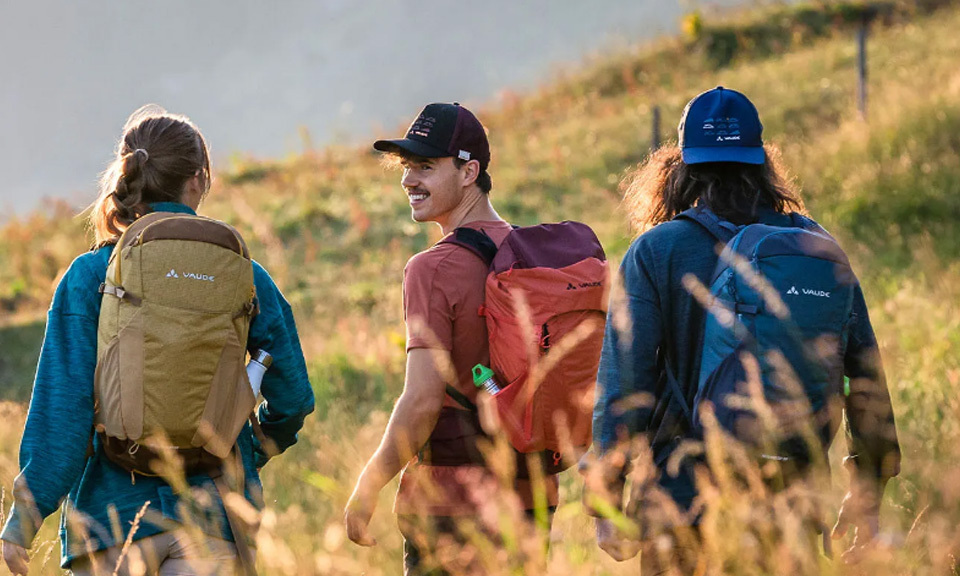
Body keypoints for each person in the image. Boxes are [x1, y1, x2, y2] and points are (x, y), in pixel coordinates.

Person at [586, 87, 901, 569]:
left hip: (682, 509)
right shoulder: (814, 245)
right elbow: (865, 375)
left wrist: (607, 498)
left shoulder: (657, 250)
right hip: (791, 503)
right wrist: (866, 499)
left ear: (684, 166)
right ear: (760, 160)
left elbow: (624, 385)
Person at [0, 105, 315, 576]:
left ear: (129, 178)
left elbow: (62, 419)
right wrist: (239, 446)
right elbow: (293, 399)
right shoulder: (245, 276)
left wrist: (21, 524)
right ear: (199, 180)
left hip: (111, 527)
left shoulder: (90, 276)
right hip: (215, 521)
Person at [344, 102, 559, 575]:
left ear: (470, 171)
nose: (408, 180)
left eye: (425, 166)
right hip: (530, 500)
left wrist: (370, 482)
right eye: (406, 167)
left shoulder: (432, 268)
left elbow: (422, 400)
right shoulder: (531, 257)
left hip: (450, 508)